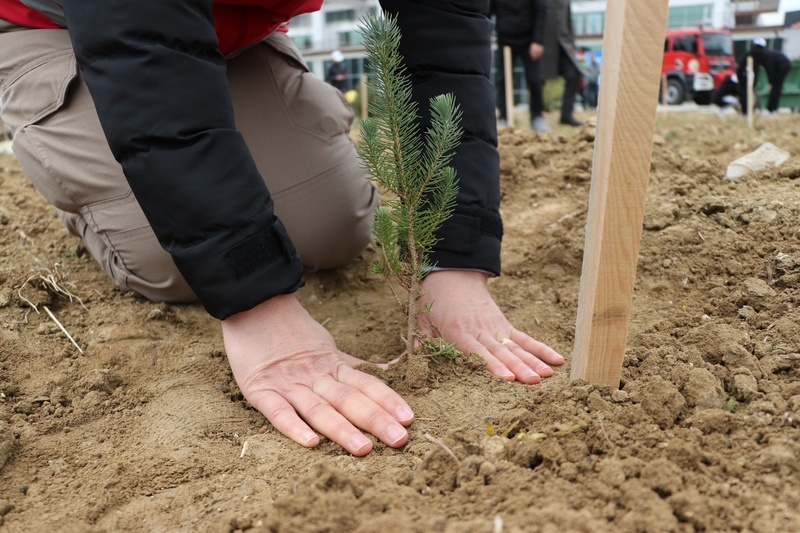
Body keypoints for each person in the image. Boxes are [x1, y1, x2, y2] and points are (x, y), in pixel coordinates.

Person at [0, 0, 564, 457]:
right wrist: (256, 302)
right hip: (65, 21)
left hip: (231, 29)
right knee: (173, 260)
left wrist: (454, 257)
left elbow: (444, 44)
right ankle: (81, 163)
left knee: (333, 229)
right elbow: (139, 41)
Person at [490, 0, 550, 132]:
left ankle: (537, 117)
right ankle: (504, 118)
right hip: (505, 40)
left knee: (535, 80)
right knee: (503, 80)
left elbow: (542, 11)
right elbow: (487, 11)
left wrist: (538, 41)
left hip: (530, 41)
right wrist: (485, 41)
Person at [541, 0, 583, 126]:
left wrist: (572, 44)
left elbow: (569, 21)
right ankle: (537, 115)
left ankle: (566, 114)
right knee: (538, 80)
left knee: (574, 74)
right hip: (544, 44)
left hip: (564, 45)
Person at [738, 37, 792, 115]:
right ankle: (771, 109)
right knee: (776, 88)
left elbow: (769, 68)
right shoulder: (763, 53)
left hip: (783, 65)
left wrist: (771, 82)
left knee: (776, 87)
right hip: (782, 64)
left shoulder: (764, 55)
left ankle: (771, 109)